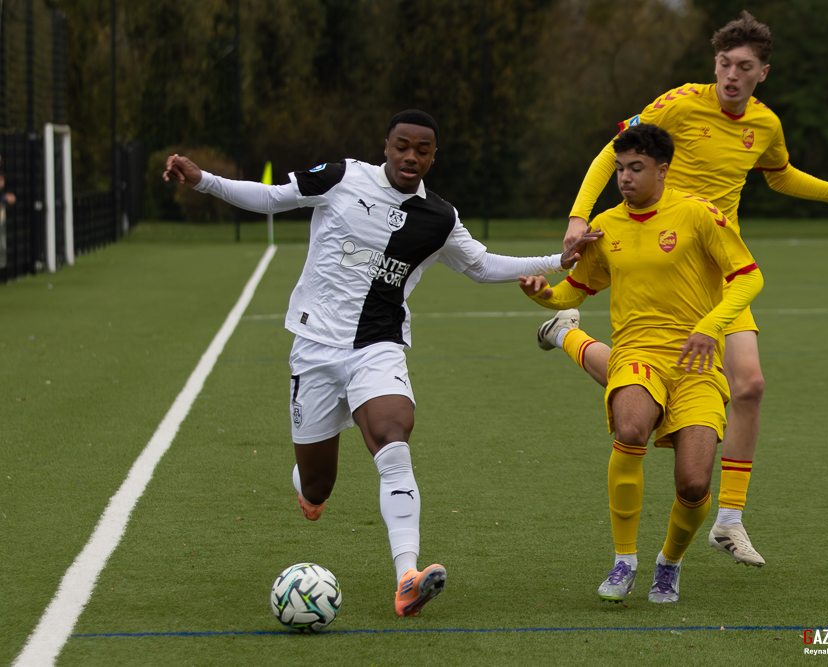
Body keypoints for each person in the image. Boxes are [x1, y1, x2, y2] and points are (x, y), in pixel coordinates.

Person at [163, 109, 600, 617]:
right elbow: (272, 197)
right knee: (317, 484)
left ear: (434, 156)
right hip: (315, 346)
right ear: (386, 146)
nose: (410, 156)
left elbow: (481, 265)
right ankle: (309, 488)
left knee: (394, 436)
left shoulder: (440, 217)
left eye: (422, 149)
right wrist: (203, 181)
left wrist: (555, 261)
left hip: (379, 343)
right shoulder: (343, 176)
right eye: (402, 146)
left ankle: (407, 576)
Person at [543, 11, 828, 567]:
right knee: (649, 374)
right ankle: (570, 336)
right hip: (662, 249)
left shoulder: (766, 124)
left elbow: (780, 174)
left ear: (762, 73)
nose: (731, 75)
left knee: (749, 384)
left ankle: (728, 519)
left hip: (718, 267)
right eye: (724, 64)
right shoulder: (678, 102)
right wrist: (579, 217)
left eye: (743, 67)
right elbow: (615, 149)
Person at [521, 122, 762, 604]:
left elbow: (748, 279)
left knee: (693, 485)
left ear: (662, 170)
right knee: (629, 430)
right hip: (636, 352)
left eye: (636, 168)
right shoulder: (605, 226)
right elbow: (578, 289)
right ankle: (623, 560)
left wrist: (710, 327)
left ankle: (668, 564)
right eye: (620, 169)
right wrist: (546, 295)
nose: (625, 178)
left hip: (696, 361)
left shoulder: (698, 215)